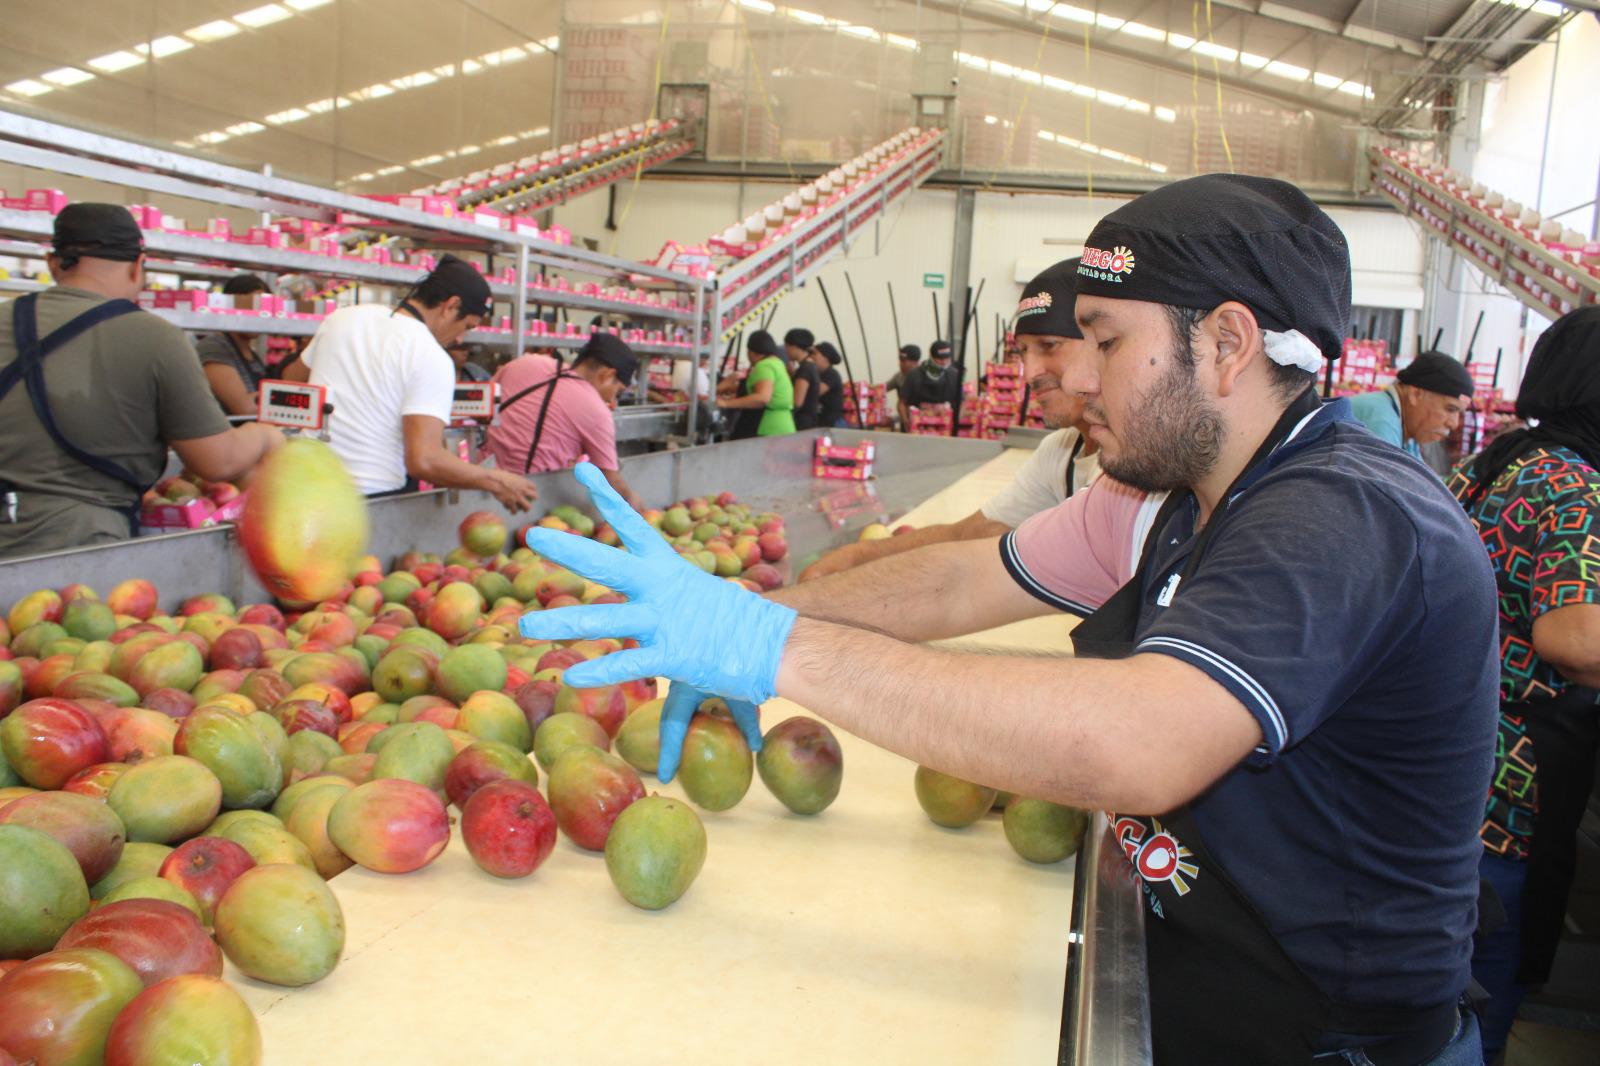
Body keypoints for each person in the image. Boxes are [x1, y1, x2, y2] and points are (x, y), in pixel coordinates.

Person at [521, 175, 1497, 1066]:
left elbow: (1138, 741)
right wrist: (743, 611)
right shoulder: (1193, 500)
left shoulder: (1344, 512)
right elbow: (958, 582)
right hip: (1210, 990)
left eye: (1108, 342)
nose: (1085, 379)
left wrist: (770, 648)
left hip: (1324, 1037)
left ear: (1227, 344)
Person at [1444, 307, 1600, 1064]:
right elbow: (1575, 640)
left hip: (1448, 748)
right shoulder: (1577, 485)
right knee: (1484, 987)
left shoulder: (1497, 463)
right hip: (1509, 782)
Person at [0, 203, 283, 558]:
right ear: (138, 266)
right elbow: (218, 461)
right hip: (78, 549)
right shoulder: (156, 337)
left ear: (52, 263)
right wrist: (265, 435)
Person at [800, 259, 1101, 582]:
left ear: (1106, 344)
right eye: (1024, 351)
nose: (1029, 373)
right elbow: (973, 533)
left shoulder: (1126, 470)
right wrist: (857, 557)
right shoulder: (1060, 451)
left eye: (1049, 346)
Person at [286, 254, 535, 511]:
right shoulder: (430, 355)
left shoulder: (342, 318)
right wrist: (496, 481)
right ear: (451, 305)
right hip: (371, 501)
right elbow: (424, 461)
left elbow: (292, 380)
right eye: (467, 326)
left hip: (305, 490)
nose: (460, 339)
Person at [484, 334, 645, 511]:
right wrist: (636, 505)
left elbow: (483, 409)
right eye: (617, 392)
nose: (612, 401)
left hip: (483, 486)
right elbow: (610, 482)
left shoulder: (523, 363)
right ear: (607, 375)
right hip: (527, 500)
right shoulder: (596, 409)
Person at [1347, 350, 1474, 458]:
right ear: (1415, 394)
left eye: (1459, 413)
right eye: (1450, 409)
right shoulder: (1382, 421)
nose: (1454, 424)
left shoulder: (1407, 428)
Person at [195, 273, 273, 416]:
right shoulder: (213, 348)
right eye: (251, 306)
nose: (258, 315)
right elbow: (245, 407)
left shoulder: (251, 354)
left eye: (263, 308)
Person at [718, 330, 794, 438]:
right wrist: (728, 387)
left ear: (751, 352)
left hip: (767, 426)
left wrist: (726, 403)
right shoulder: (777, 363)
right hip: (783, 425)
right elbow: (759, 387)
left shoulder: (764, 366)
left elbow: (762, 398)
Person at [901, 339, 962, 419]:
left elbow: (962, 401)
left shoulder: (954, 375)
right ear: (931, 357)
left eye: (947, 358)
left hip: (946, 422)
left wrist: (958, 418)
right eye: (940, 359)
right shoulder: (914, 375)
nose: (944, 362)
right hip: (919, 422)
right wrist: (906, 421)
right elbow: (902, 403)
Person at [785, 328, 821, 430]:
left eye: (787, 346)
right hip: (809, 421)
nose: (786, 351)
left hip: (802, 423)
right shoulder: (810, 365)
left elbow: (797, 402)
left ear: (794, 347)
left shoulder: (805, 369)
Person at [887, 344, 922, 430]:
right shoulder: (899, 377)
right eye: (900, 361)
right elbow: (882, 389)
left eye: (904, 361)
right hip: (905, 424)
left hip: (923, 423)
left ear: (915, 362)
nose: (900, 364)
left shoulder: (924, 378)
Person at [812, 341, 846, 429]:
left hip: (833, 423)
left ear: (825, 357)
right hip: (823, 422)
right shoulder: (818, 374)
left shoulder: (831, 374)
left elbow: (814, 392)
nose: (811, 357)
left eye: (815, 353)